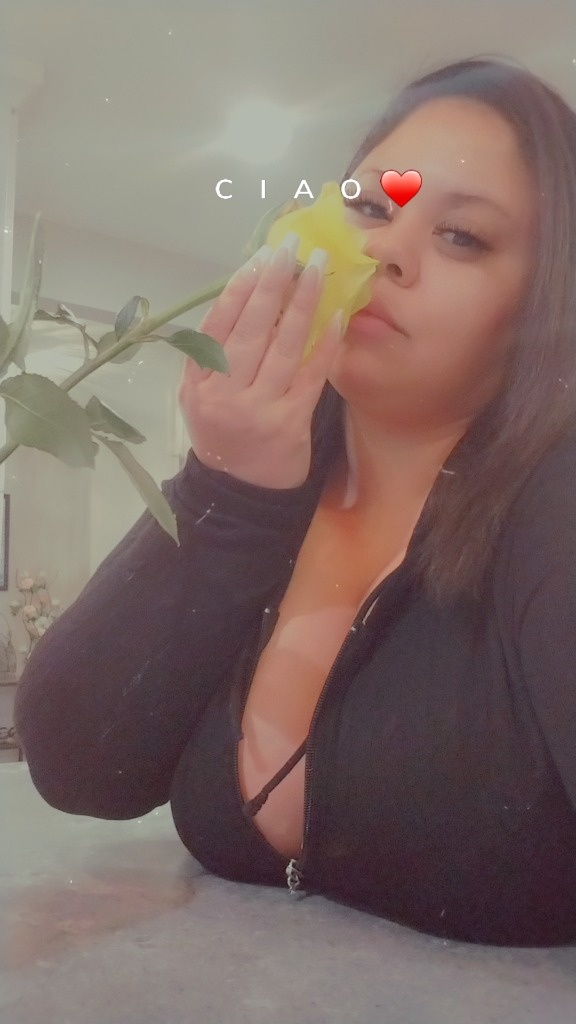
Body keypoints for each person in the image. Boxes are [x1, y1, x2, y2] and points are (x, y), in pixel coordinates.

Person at [14, 56, 576, 947]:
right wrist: (227, 492)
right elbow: (83, 768)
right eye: (370, 207)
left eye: (462, 237)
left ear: (543, 309)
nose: (385, 250)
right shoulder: (265, 481)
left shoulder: (553, 501)